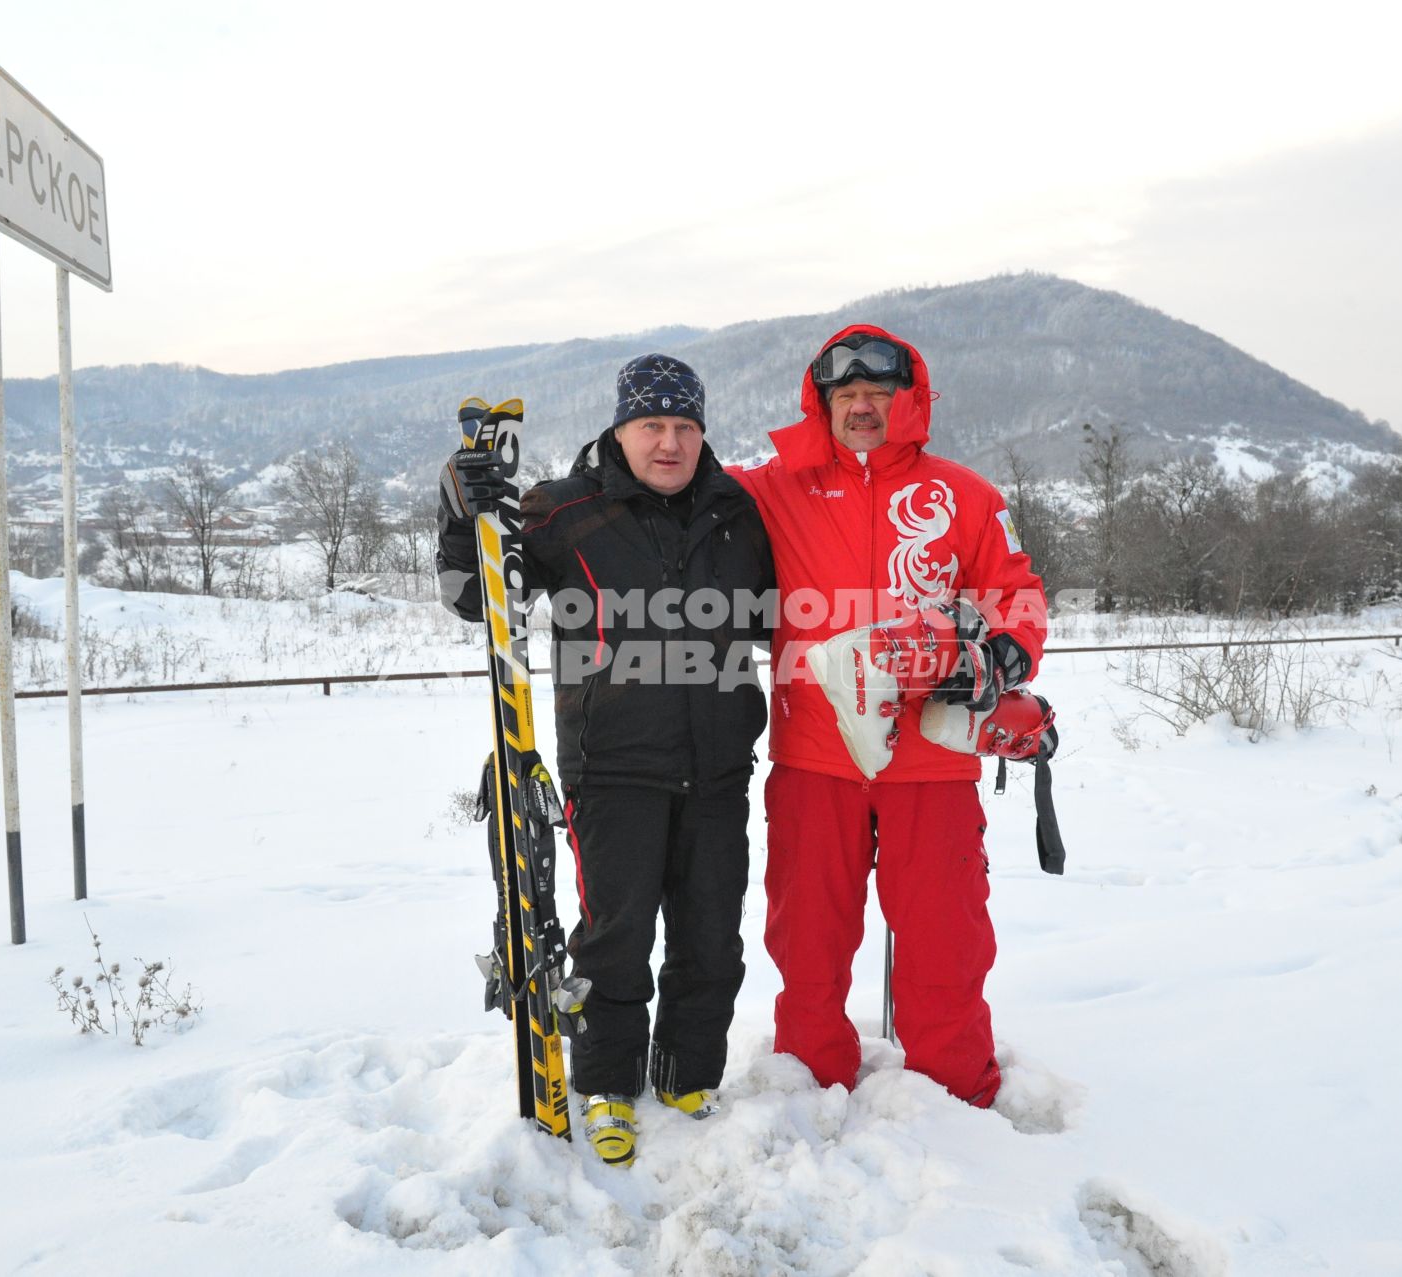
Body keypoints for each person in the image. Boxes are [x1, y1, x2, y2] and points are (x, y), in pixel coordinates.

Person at [436, 354, 773, 1166]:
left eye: (685, 426)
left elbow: (788, 609)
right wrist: (460, 507)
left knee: (711, 935)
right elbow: (474, 596)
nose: (669, 442)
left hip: (721, 766)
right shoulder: (563, 508)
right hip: (613, 766)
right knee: (613, 939)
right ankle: (608, 1086)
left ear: (703, 433)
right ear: (620, 429)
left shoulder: (739, 512)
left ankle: (690, 1072)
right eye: (652, 425)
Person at [731, 325, 1047, 1108]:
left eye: (880, 394)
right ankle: (808, 1083)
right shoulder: (772, 488)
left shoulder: (965, 495)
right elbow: (665, 491)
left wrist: (1003, 656)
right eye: (848, 396)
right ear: (823, 404)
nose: (863, 408)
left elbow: (1016, 593)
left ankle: (954, 1095)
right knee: (807, 939)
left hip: (932, 759)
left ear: (909, 401)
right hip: (814, 753)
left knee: (945, 941)